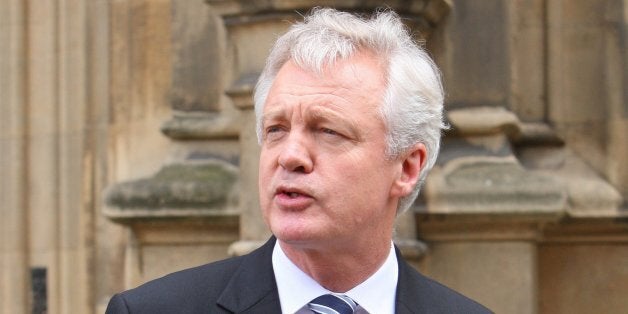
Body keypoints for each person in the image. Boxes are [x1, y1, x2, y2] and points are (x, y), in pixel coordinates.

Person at [106, 8, 491, 314]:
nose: (290, 156)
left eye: (329, 132)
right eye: (276, 129)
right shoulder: (153, 310)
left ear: (407, 167)